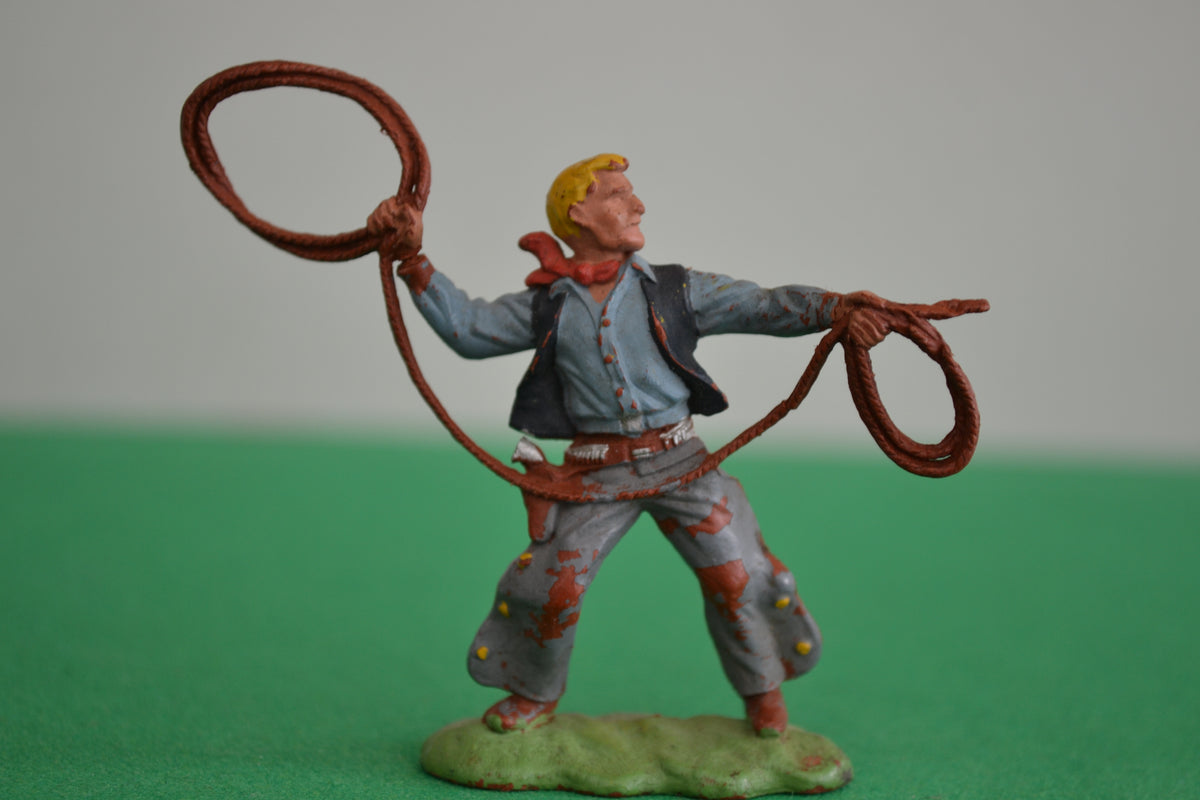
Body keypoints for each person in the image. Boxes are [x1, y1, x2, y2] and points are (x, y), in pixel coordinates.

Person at [368, 154, 887, 737]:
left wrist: (838, 309)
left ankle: (764, 691)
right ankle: (534, 693)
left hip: (682, 462)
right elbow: (469, 329)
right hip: (595, 473)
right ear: (577, 213)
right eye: (617, 195)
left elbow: (761, 304)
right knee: (552, 585)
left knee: (738, 572)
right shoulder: (548, 303)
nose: (637, 205)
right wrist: (412, 260)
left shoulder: (675, 289)